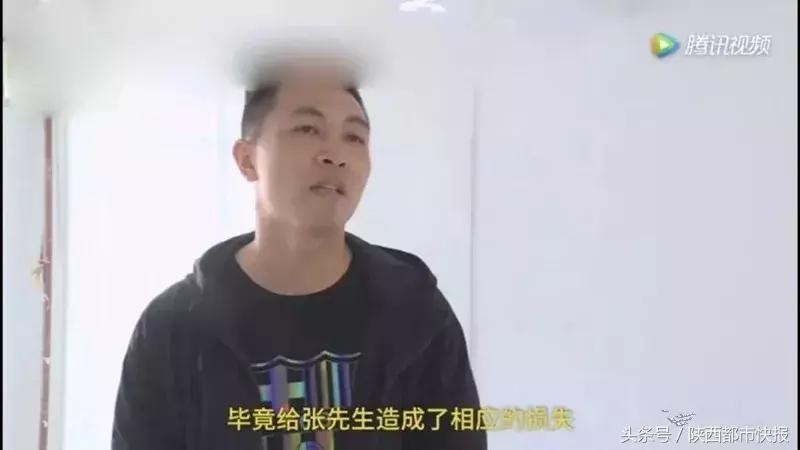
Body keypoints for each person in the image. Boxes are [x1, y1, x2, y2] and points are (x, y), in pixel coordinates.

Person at [111, 61, 486, 450]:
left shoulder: (416, 313)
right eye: (308, 129)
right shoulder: (172, 328)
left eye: (354, 137)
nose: (335, 154)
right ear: (247, 159)